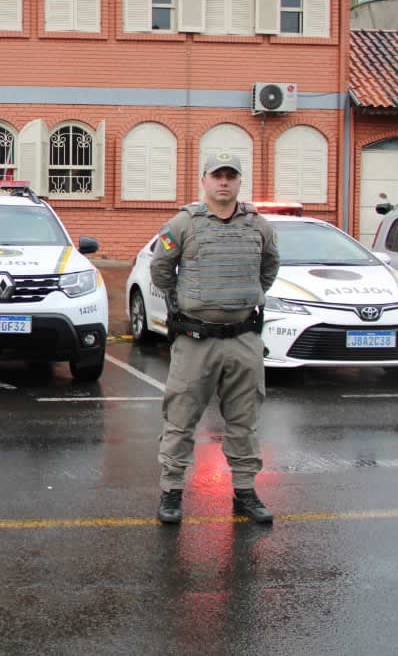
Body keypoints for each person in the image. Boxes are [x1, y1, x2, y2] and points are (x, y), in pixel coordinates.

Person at [150, 152, 279, 525]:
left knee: (244, 419)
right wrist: (187, 303)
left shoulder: (258, 225)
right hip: (196, 340)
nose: (224, 182)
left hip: (243, 339)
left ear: (240, 182)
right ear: (204, 180)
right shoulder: (183, 223)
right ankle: (172, 491)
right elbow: (161, 268)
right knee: (180, 417)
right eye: (217, 175)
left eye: (231, 176)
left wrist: (245, 298)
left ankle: (244, 492)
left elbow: (269, 266)